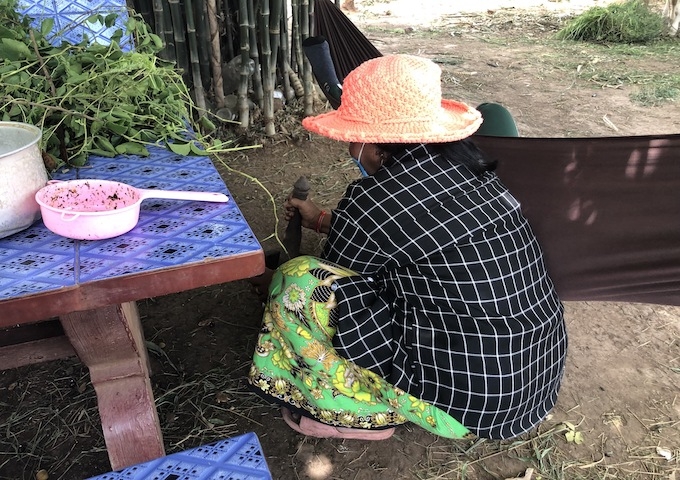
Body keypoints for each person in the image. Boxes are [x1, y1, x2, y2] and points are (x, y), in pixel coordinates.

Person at [248, 54, 567, 441]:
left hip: (465, 407)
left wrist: (269, 282)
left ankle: (358, 413)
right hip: (529, 384)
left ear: (374, 144)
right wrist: (320, 219)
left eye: (352, 137)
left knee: (299, 281)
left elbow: (335, 283)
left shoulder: (375, 201)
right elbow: (416, 235)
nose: (349, 148)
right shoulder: (474, 172)